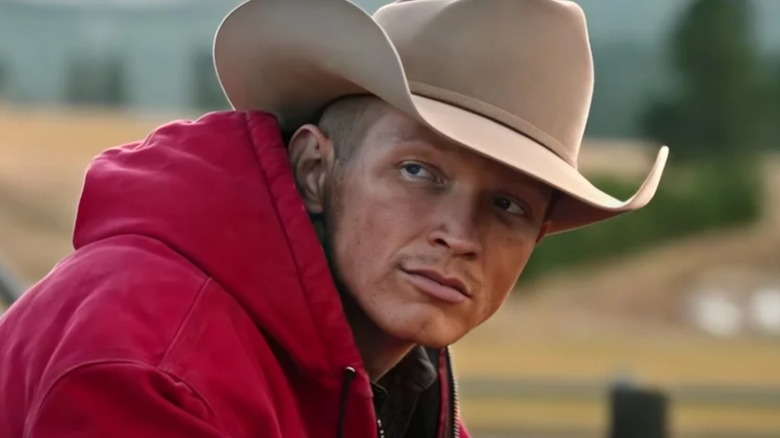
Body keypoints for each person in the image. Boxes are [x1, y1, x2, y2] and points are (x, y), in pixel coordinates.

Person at [0, 0, 669, 437]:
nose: (460, 237)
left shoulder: (399, 388)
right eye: (419, 172)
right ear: (316, 169)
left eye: (508, 206)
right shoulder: (152, 367)